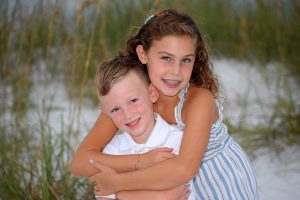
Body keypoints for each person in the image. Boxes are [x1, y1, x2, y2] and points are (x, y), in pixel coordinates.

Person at [71, 9, 258, 199]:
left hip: (218, 181)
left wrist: (117, 185)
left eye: (186, 60)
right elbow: (80, 162)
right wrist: (139, 161)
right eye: (166, 58)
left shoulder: (198, 100)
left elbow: (184, 169)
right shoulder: (130, 98)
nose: (176, 71)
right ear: (143, 54)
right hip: (158, 182)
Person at [93, 55, 195, 200]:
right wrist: (162, 197)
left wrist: (120, 194)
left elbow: (179, 190)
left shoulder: (177, 141)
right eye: (116, 109)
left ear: (152, 94)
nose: (128, 115)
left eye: (133, 101)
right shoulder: (112, 151)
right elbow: (103, 194)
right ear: (106, 112)